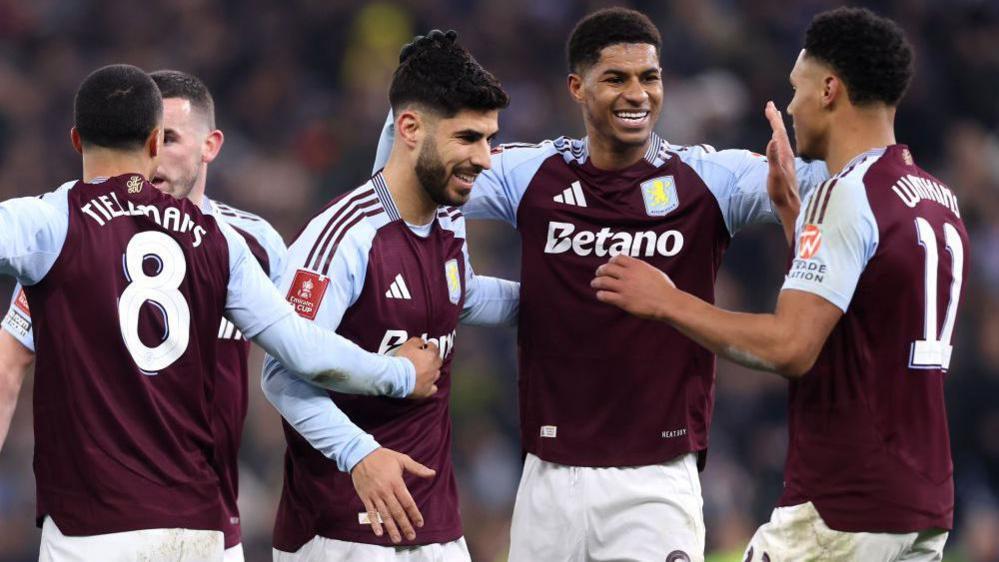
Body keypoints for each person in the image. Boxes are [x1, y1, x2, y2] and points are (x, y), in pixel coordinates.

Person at [375, 10, 828, 561]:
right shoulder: (531, 174)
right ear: (577, 87)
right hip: (546, 481)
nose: (637, 93)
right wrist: (413, 99)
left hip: (654, 487)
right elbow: (404, 178)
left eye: (649, 78)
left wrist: (802, 182)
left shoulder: (710, 180)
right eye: (616, 78)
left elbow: (838, 190)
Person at [0, 64, 441, 562]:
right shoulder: (219, 242)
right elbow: (301, 347)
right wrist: (398, 372)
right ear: (150, 143)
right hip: (201, 529)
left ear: (76, 141)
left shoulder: (49, 224)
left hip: (94, 529)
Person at [593, 7, 964, 560]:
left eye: (798, 87)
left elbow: (792, 347)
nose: (790, 105)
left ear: (830, 90)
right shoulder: (935, 198)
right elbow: (862, 318)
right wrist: (795, 215)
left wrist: (669, 302)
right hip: (922, 502)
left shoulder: (847, 194)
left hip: (844, 504)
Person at [0, 68, 287, 562]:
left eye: (173, 138)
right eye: (159, 137)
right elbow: (9, 363)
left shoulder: (255, 245)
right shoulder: (75, 239)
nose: (157, 157)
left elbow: (300, 350)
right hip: (110, 516)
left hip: (216, 524)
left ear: (210, 145)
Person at [262, 31, 518, 561]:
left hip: (438, 526)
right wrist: (360, 455)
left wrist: (569, 297)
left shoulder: (448, 219)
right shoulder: (343, 236)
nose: (486, 159)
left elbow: (462, 296)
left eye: (489, 139)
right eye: (468, 138)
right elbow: (280, 373)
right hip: (343, 527)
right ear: (409, 129)